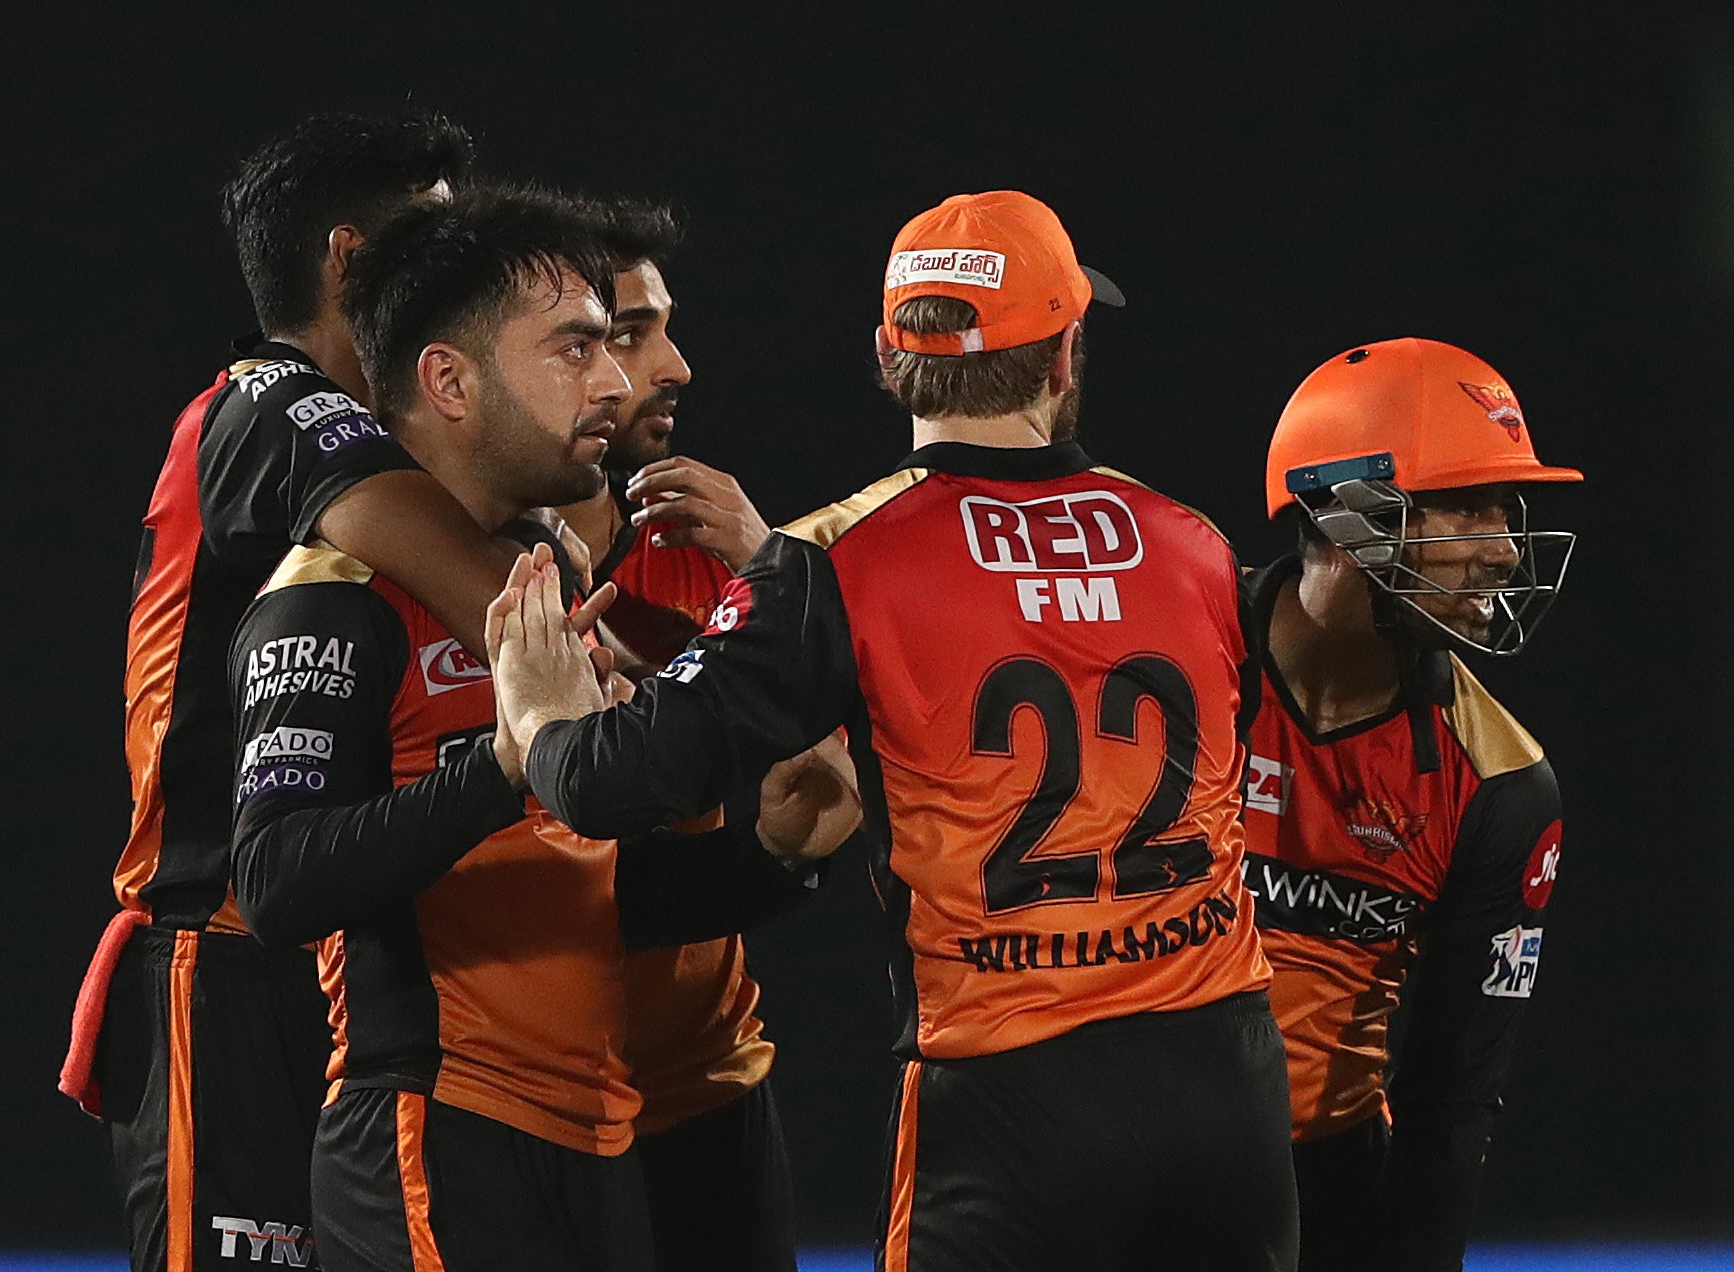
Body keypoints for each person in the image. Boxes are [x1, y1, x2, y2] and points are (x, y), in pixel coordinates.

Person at [498, 190, 1299, 1271]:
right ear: (1066, 354)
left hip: (1012, 1097)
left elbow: (611, 783)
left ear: (888, 356)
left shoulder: (836, 561)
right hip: (1227, 1086)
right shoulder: (1192, 543)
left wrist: (541, 703)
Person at [230, 186, 854, 1272]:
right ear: (449, 381)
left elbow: (608, 898)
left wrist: (778, 857)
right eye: (576, 349)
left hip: (598, 1143)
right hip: (437, 1140)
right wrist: (508, 764)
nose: (615, 383)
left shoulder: (552, 568)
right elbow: (277, 879)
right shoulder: (333, 595)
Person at [58, 111, 543, 1272]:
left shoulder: (366, 428)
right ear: (346, 254)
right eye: (433, 229)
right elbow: (499, 606)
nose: (457, 259)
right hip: (224, 968)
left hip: (358, 973)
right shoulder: (269, 404)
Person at [1243, 338, 1580, 1271]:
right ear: (1350, 513)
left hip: (1322, 1193)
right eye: (1468, 507)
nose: (1505, 549)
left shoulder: (1501, 783)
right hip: (1108, 1155)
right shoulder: (1170, 666)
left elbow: (1450, 1099)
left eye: (1504, 512)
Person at [554, 208, 807, 1272]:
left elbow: (834, 774)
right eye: (630, 331)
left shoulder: (707, 547)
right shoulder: (446, 575)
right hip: (536, 1120)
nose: (674, 367)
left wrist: (772, 565)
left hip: (709, 1095)